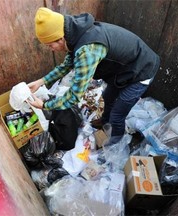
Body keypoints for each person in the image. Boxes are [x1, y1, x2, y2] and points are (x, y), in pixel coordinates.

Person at [28, 7, 160, 144]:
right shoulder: (74, 35)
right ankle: (104, 122)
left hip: (142, 70)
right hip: (123, 69)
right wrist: (41, 81)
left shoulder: (87, 50)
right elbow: (66, 65)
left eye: (50, 45)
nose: (51, 50)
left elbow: (74, 95)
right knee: (108, 96)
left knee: (117, 115)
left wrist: (45, 105)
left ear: (60, 38)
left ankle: (115, 146)